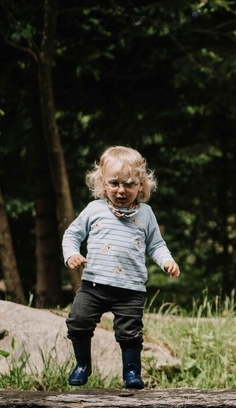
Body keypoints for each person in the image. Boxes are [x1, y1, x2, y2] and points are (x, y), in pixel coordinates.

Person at [62, 146, 180, 389]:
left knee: (130, 333)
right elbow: (72, 235)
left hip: (130, 288)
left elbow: (156, 245)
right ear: (102, 183)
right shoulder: (94, 209)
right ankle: (82, 365)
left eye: (129, 184)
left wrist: (166, 260)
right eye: (114, 183)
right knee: (77, 321)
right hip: (93, 284)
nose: (121, 190)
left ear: (141, 185)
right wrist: (72, 254)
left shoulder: (145, 213)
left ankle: (132, 372)